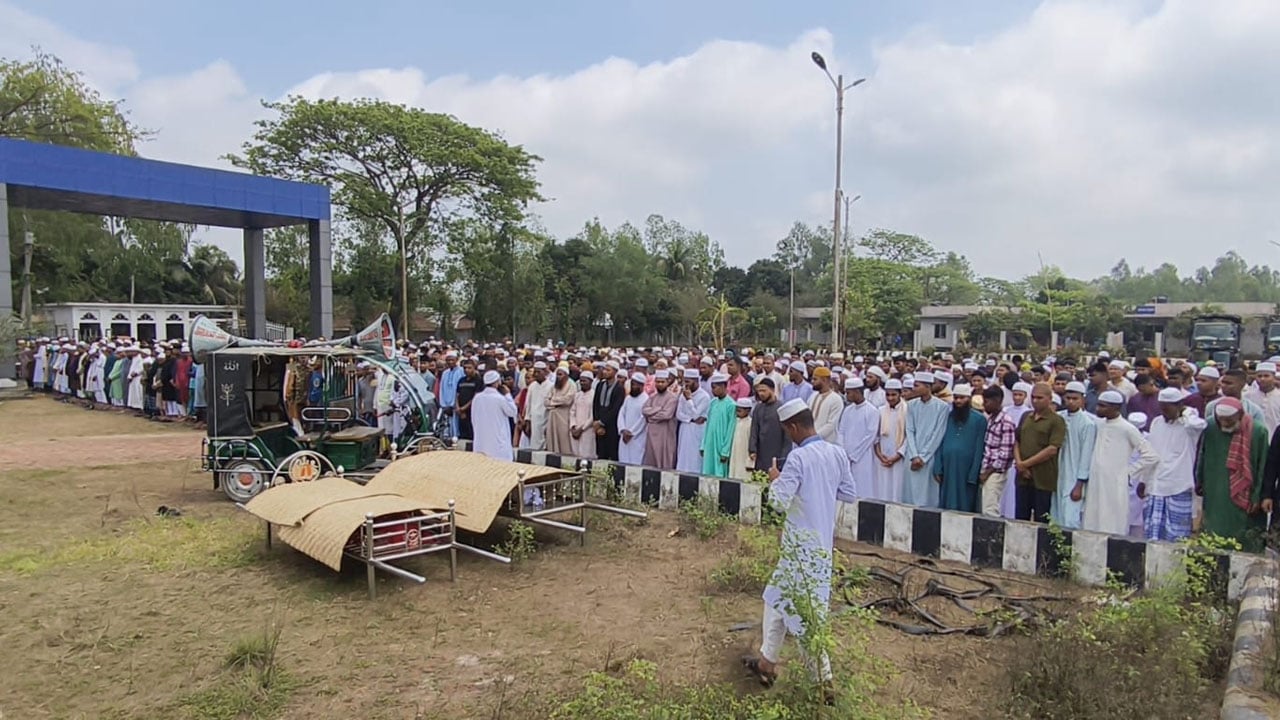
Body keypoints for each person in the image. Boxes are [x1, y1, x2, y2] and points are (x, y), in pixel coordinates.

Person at [741, 398, 858, 698]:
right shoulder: (836, 453)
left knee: (806, 615)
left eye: (786, 430)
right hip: (818, 547)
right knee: (775, 597)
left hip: (801, 549)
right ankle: (767, 662)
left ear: (793, 427)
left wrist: (776, 480)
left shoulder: (798, 458)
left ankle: (823, 683)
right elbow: (849, 492)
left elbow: (777, 503)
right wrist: (817, 490)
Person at [1198, 397, 1270, 552]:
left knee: (1244, 540)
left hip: (1247, 496)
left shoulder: (1258, 431)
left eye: (1229, 420)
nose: (1224, 424)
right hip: (1215, 492)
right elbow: (1201, 456)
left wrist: (1258, 495)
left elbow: (1263, 465)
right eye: (1221, 420)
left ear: (1240, 415)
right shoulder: (1210, 427)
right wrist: (1199, 481)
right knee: (1213, 540)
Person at [1081, 393, 1158, 535]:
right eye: (1098, 404)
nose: (1098, 408)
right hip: (1096, 481)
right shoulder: (1098, 424)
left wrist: (1128, 472)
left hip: (1115, 482)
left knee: (1112, 520)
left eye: (1103, 406)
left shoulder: (1127, 428)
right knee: (1092, 518)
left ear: (1116, 408)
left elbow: (1151, 456)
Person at [1142, 387, 1206, 542]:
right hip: (1155, 485)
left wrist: (1185, 412)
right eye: (1161, 407)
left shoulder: (1189, 425)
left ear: (1179, 405)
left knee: (1176, 536)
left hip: (1178, 486)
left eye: (1168, 408)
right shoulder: (1157, 422)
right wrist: (1144, 481)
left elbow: (1200, 425)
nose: (1164, 412)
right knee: (1152, 535)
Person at [1014, 383, 1067, 523]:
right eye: (1033, 397)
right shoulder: (1026, 416)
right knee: (1020, 516)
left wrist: (1025, 464)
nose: (1035, 401)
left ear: (1049, 399)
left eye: (1040, 398)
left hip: (1043, 477)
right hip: (1022, 476)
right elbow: (1017, 441)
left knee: (1041, 517)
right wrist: (1019, 463)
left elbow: (1052, 449)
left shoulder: (1056, 421)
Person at [932, 384, 987, 513]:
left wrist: (974, 473)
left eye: (962, 398)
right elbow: (939, 441)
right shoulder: (947, 416)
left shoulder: (980, 420)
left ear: (969, 399)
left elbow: (979, 448)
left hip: (966, 470)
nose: (958, 401)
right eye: (956, 398)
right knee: (946, 503)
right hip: (948, 467)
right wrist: (937, 467)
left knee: (965, 503)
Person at [1053, 382, 1098, 530]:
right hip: (1057, 474)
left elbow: (1086, 456)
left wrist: (1079, 484)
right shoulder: (1059, 418)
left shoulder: (1087, 423)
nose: (1071, 402)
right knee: (1055, 517)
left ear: (1082, 400)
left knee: (1070, 520)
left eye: (1075, 398)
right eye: (1068, 398)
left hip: (1074, 478)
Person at [902, 371, 949, 508]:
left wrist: (923, 457)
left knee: (928, 495)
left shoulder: (942, 407)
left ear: (927, 386)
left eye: (917, 386)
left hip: (929, 457)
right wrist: (914, 455)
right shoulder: (911, 405)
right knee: (909, 494)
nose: (914, 389)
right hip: (911, 455)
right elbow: (909, 430)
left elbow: (938, 433)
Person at [838, 377, 880, 498]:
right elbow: (841, 431)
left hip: (863, 456)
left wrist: (853, 455)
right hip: (845, 456)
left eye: (848, 392)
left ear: (857, 392)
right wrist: (843, 452)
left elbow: (870, 436)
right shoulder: (847, 410)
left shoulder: (872, 411)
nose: (846, 396)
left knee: (863, 487)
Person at [980, 385, 1018, 517]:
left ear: (997, 401)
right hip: (987, 468)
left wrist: (987, 472)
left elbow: (1006, 453)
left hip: (996, 472)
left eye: (987, 402)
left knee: (989, 509)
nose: (984, 405)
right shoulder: (991, 419)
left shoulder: (1005, 422)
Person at [872, 378, 908, 502]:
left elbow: (908, 436)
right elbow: (875, 436)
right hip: (882, 458)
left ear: (900, 394)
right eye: (888, 394)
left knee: (897, 490)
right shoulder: (880, 411)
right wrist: (880, 455)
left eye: (894, 394)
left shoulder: (908, 410)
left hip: (899, 458)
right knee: (882, 490)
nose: (890, 398)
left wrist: (897, 455)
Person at [471, 370, 518, 461]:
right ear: (497, 382)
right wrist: (508, 395)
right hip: (498, 440)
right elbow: (513, 412)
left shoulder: (477, 398)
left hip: (481, 439)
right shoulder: (499, 398)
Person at [749, 378, 790, 472]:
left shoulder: (781, 408)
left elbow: (787, 437)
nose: (761, 394)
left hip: (776, 454)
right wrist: (752, 449)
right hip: (760, 455)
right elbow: (754, 430)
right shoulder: (758, 408)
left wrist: (783, 458)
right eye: (759, 391)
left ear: (772, 390)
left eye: (764, 390)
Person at [642, 369, 679, 469]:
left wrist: (651, 416)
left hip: (665, 434)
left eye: (662, 382)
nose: (660, 384)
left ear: (667, 382)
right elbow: (644, 410)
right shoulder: (652, 397)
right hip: (652, 434)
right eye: (658, 382)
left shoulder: (672, 398)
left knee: (664, 461)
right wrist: (658, 409)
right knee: (651, 460)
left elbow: (666, 415)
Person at [676, 369, 711, 473]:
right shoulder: (683, 395)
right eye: (684, 381)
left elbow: (696, 415)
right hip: (685, 428)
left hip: (697, 431)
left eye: (688, 381)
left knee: (694, 458)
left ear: (696, 381)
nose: (685, 384)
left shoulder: (704, 396)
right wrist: (689, 419)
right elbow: (678, 414)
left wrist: (689, 400)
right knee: (683, 455)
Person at [701, 374, 736, 477]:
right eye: (712, 387)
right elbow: (707, 425)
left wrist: (725, 451)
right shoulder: (713, 403)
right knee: (707, 471)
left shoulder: (731, 405)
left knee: (719, 472)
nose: (713, 390)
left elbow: (730, 429)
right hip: (710, 443)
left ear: (724, 387)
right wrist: (703, 444)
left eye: (715, 387)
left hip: (721, 444)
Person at [592, 362, 625, 461]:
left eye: (608, 370)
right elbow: (595, 405)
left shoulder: (619, 388)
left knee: (612, 453)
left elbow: (615, 409)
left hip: (611, 426)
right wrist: (597, 421)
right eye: (604, 369)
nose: (605, 372)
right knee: (601, 454)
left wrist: (602, 422)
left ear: (615, 372)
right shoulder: (600, 385)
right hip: (599, 425)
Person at [617, 372, 649, 464]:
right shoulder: (628, 398)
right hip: (624, 435)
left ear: (642, 386)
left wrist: (631, 432)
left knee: (636, 461)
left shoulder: (646, 399)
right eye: (632, 384)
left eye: (635, 385)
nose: (633, 387)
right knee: (623, 459)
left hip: (637, 437)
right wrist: (623, 429)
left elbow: (643, 419)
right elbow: (621, 414)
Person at [545, 364, 577, 455]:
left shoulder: (572, 385)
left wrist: (553, 401)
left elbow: (568, 400)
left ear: (566, 375)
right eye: (557, 374)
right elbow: (546, 401)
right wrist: (555, 402)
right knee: (552, 439)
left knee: (564, 439)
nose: (558, 377)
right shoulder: (554, 386)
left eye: (560, 374)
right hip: (552, 417)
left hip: (564, 416)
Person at [807, 367, 842, 444]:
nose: (812, 382)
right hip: (810, 441)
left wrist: (815, 437)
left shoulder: (836, 399)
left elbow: (831, 425)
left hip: (827, 443)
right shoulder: (813, 396)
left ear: (824, 380)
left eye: (815, 379)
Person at [1246, 361, 1280, 435]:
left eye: (1266, 376)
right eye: (1259, 376)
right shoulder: (1247, 396)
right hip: (1253, 438)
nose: (1262, 379)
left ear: (1274, 377)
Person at [569, 371, 597, 459]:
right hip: (575, 429)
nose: (582, 383)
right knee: (576, 454)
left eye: (584, 381)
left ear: (591, 382)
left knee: (587, 455)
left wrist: (582, 428)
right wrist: (573, 426)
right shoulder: (577, 395)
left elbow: (593, 415)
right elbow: (572, 411)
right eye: (581, 381)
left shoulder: (594, 395)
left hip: (587, 430)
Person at [454, 360, 481, 441]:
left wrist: (464, 408)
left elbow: (475, 397)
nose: (466, 370)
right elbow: (457, 395)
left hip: (472, 412)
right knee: (462, 435)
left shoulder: (478, 380)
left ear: (474, 368)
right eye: (465, 368)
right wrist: (458, 407)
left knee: (471, 435)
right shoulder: (461, 380)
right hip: (460, 412)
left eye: (469, 368)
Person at [729, 398, 755, 480]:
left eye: (740, 410)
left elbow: (752, 443)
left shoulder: (751, 423)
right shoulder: (735, 421)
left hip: (745, 457)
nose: (737, 412)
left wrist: (750, 462)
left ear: (748, 410)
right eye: (737, 410)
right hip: (734, 455)